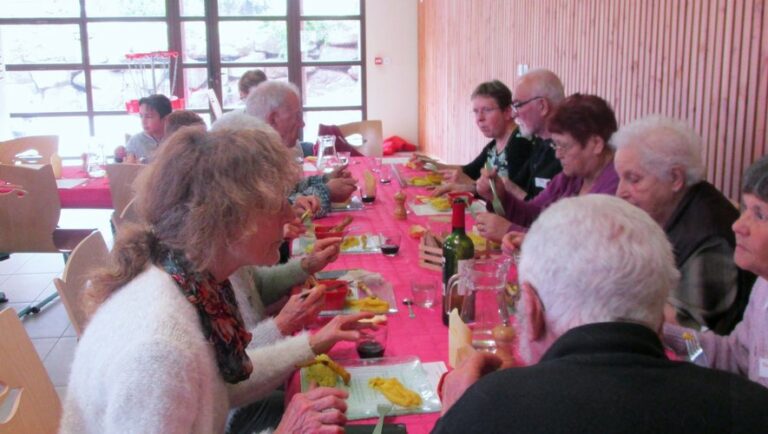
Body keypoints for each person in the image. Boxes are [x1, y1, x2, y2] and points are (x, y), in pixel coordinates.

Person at [59, 127, 370, 433]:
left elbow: (222, 387)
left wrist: (309, 345)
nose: (290, 216)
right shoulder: (161, 350)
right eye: (278, 205)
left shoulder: (196, 282)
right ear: (230, 219)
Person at [433, 195, 768, 434]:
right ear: (659, 307)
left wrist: (454, 413)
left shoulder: (491, 409)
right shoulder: (752, 409)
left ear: (531, 310)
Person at [613, 115, 755, 334]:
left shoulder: (710, 237)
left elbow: (688, 330)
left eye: (633, 179)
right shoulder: (665, 211)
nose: (619, 192)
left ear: (675, 178)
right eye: (620, 178)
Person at [664, 155, 768, 388]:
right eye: (745, 208)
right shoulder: (763, 286)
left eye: (760, 215)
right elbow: (733, 356)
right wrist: (669, 335)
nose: (738, 226)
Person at [476, 93, 619, 241]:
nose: (557, 154)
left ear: (596, 144)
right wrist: (500, 196)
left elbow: (579, 244)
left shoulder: (617, 188)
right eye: (555, 145)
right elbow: (534, 214)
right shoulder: (571, 178)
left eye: (563, 146)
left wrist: (509, 231)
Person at [245, 81, 357, 216]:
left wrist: (326, 179)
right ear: (273, 119)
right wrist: (327, 192)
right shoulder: (250, 157)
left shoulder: (268, 149)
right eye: (297, 116)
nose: (302, 124)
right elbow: (280, 214)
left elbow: (290, 190)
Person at [422, 80, 533, 198]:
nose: (479, 118)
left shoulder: (521, 142)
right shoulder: (495, 144)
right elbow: (469, 170)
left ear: (507, 112)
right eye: (476, 111)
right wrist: (431, 164)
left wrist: (469, 185)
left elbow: (510, 194)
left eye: (487, 110)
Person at [508, 68, 564, 199]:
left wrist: (512, 191)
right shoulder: (540, 142)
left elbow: (552, 209)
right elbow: (515, 185)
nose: (513, 114)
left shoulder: (569, 152)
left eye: (518, 105)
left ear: (542, 106)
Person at [124, 94, 173, 162]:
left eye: (149, 116)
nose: (143, 121)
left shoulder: (176, 140)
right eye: (141, 116)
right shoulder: (135, 141)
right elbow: (127, 166)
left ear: (165, 118)